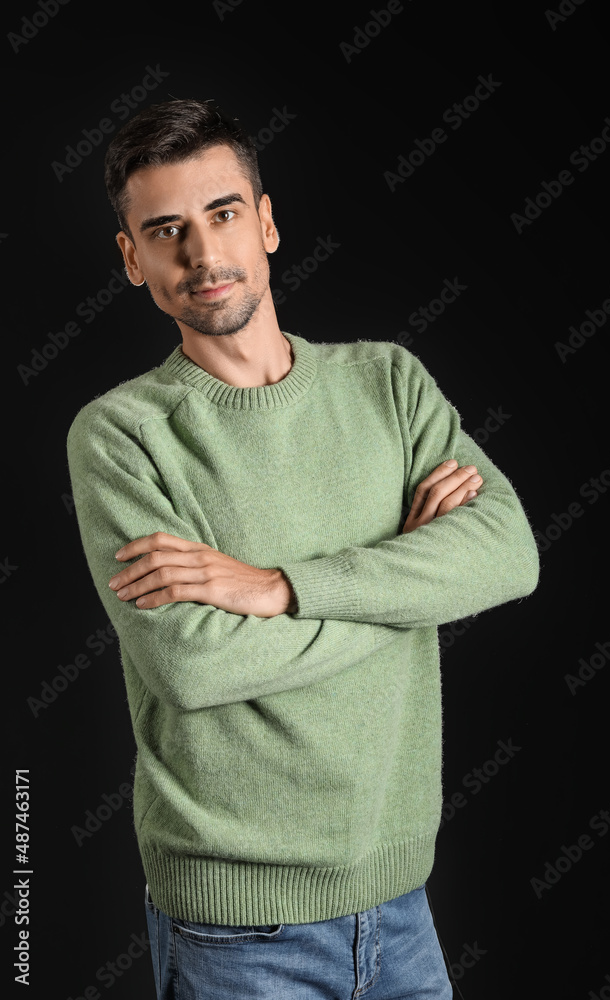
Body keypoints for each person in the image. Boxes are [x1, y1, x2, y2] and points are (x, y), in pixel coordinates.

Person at [67, 98, 540, 999]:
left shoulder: (387, 383)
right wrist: (410, 583)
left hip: (401, 902)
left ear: (268, 222)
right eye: (166, 231)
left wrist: (276, 587)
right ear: (133, 259)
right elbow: (193, 667)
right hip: (236, 927)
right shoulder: (121, 436)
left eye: (223, 214)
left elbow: (508, 552)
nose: (203, 255)